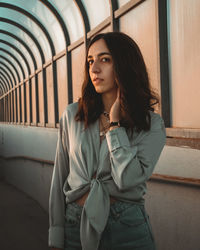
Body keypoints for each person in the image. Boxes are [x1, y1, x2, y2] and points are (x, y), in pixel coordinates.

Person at [49, 32, 166, 250]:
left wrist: (115, 126)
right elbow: (59, 179)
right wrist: (56, 233)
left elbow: (127, 180)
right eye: (90, 61)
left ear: (124, 65)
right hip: (75, 226)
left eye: (105, 59)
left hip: (127, 230)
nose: (94, 69)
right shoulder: (73, 115)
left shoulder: (152, 124)